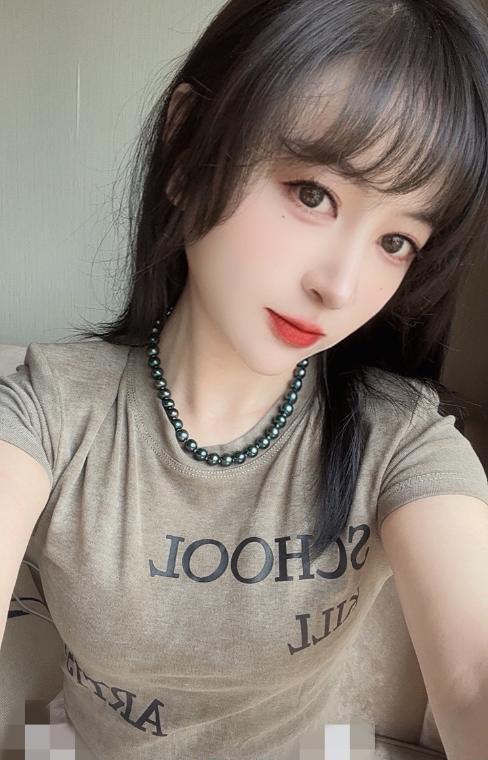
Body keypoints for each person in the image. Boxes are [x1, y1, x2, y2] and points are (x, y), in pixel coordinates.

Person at [1, 0, 488, 758]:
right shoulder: (53, 408)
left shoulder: (401, 439)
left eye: (397, 241)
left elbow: (471, 681)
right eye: (312, 193)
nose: (340, 287)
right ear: (187, 144)